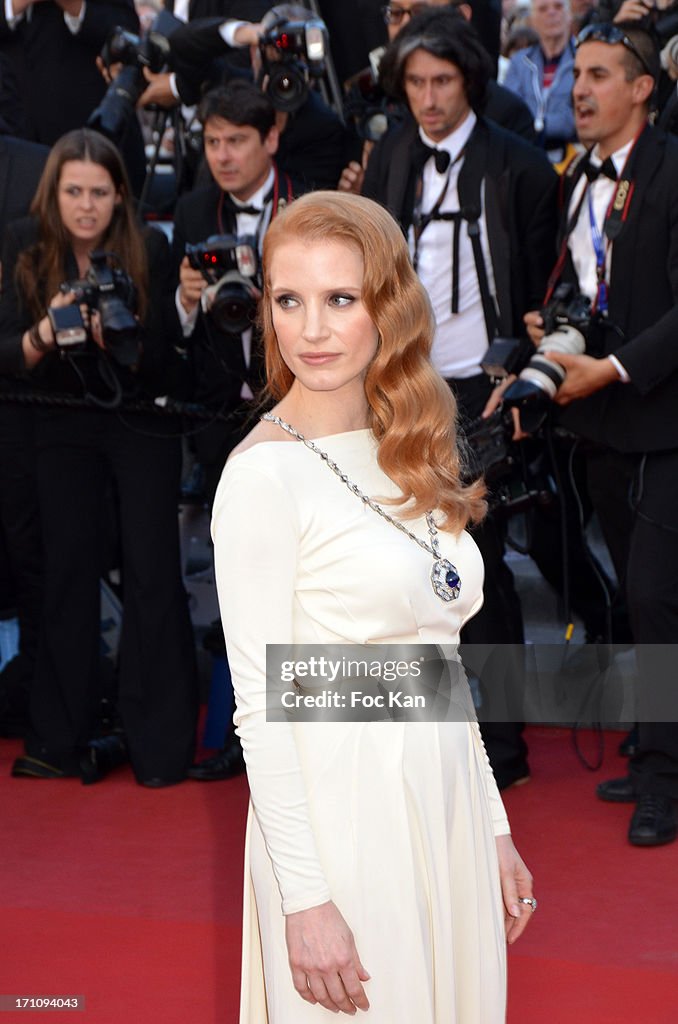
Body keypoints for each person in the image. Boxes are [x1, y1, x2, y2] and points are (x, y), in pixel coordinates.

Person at [212, 190, 536, 1021]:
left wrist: (490, 820)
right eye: (289, 300)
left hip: (443, 797)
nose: (311, 329)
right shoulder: (260, 477)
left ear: (387, 306)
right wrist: (305, 899)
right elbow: (262, 707)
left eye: (340, 299)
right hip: (342, 817)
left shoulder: (409, 442)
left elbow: (438, 665)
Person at [363, 7, 560, 788]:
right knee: (405, 561)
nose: (428, 97)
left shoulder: (518, 164)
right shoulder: (390, 158)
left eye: (442, 80)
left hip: (485, 387)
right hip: (406, 382)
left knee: (483, 567)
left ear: (469, 80)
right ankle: (427, 738)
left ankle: (504, 744)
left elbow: (543, 283)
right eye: (415, 82)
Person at [0, 128, 198, 785]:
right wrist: (43, 333)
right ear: (53, 194)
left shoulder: (151, 249)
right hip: (58, 423)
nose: (86, 206)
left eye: (100, 192)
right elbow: (6, 355)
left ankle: (161, 747)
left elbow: (171, 363)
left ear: (121, 196)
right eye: (74, 191)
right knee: (65, 573)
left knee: (152, 574)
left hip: (139, 422)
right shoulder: (23, 246)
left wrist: (129, 339)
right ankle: (57, 737)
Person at [525, 24, 678, 845]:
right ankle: (656, 747)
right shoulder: (578, 174)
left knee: (655, 599)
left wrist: (614, 370)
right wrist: (552, 327)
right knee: (635, 595)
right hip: (602, 428)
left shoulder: (673, 169)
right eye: (575, 75)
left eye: (598, 75)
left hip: (663, 420)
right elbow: (594, 289)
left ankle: (662, 777)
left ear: (643, 86)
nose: (578, 90)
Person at [503, 0, 577, 158]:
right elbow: (510, 112)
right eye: (543, 9)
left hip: (571, 156)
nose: (551, 13)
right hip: (524, 156)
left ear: (569, 14)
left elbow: (575, 119)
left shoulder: (583, 59)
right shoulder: (519, 62)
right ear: (532, 20)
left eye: (558, 6)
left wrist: (536, 125)